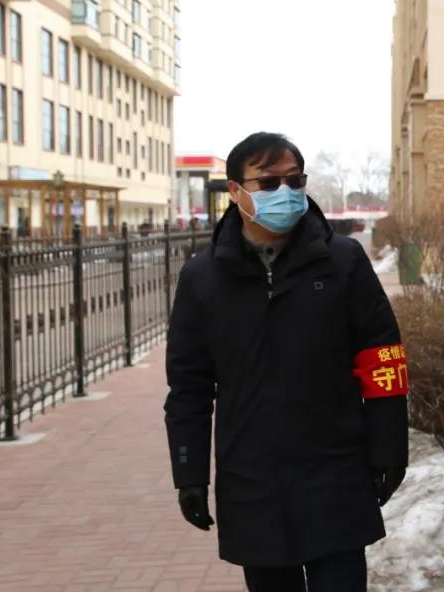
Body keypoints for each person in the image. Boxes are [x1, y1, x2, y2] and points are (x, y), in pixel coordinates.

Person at [164, 133, 409, 592]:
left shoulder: (342, 261)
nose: (285, 192)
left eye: (294, 181)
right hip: (252, 478)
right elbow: (189, 387)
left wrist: (390, 447)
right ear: (235, 191)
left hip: (335, 470)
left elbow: (383, 359)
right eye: (268, 182)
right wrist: (189, 473)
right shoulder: (203, 277)